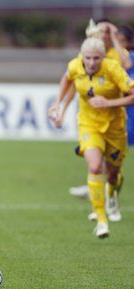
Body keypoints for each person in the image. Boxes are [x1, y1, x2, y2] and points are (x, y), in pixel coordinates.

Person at [48, 20, 134, 238]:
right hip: (89, 124)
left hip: (115, 127)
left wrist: (109, 103)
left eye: (96, 58)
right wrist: (58, 105)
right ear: (82, 57)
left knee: (113, 174)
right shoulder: (75, 65)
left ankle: (112, 195)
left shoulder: (113, 68)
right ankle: (101, 220)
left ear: (103, 57)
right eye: (88, 58)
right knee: (95, 167)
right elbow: (66, 81)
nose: (92, 63)